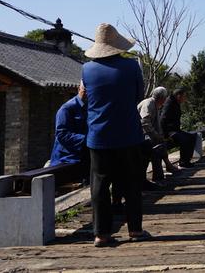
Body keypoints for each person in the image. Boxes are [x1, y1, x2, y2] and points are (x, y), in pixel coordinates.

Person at [83, 23, 151, 247]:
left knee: (100, 186)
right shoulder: (131, 67)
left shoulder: (87, 69)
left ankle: (101, 234)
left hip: (98, 136)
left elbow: (86, 99)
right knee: (132, 183)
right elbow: (138, 96)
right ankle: (135, 230)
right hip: (128, 134)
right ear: (116, 45)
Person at [137, 87, 180, 181]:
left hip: (146, 136)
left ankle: (160, 174)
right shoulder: (148, 103)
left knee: (160, 145)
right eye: (164, 99)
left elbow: (155, 125)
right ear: (161, 98)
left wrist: (160, 136)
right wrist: (156, 136)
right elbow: (144, 123)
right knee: (157, 149)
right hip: (139, 137)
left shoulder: (155, 105)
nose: (164, 101)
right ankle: (160, 175)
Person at [49, 82, 89, 174]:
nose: (87, 93)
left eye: (90, 90)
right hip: (65, 160)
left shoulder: (89, 108)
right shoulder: (67, 109)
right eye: (85, 89)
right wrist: (87, 139)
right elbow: (62, 135)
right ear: (79, 89)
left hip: (81, 158)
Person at [160, 88, 197, 169]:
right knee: (185, 139)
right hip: (169, 131)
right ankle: (183, 163)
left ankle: (186, 161)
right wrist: (165, 136)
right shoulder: (169, 103)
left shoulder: (176, 102)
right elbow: (163, 119)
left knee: (192, 137)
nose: (185, 98)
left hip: (175, 130)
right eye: (184, 96)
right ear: (178, 96)